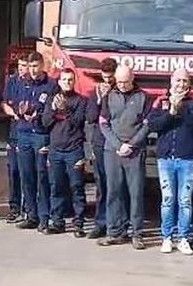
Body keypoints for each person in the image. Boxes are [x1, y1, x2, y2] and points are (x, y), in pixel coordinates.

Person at [147, 69, 193, 256]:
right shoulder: (160, 101)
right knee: (167, 200)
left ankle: (183, 238)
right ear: (171, 81)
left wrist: (181, 108)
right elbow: (153, 124)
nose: (181, 84)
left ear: (189, 83)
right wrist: (171, 111)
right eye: (178, 80)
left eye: (184, 81)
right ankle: (166, 237)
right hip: (165, 159)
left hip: (187, 158)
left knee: (185, 201)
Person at [98, 65, 150, 250]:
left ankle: (136, 233)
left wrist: (132, 144)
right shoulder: (108, 96)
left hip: (135, 152)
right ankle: (114, 232)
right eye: (119, 82)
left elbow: (146, 125)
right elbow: (103, 124)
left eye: (125, 82)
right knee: (113, 192)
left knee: (135, 193)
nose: (121, 85)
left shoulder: (143, 97)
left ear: (133, 78)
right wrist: (118, 145)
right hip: (112, 151)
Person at [14, 51, 59, 232]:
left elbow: (53, 112)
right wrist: (20, 110)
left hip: (41, 134)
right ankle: (30, 215)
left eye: (35, 66)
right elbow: (14, 104)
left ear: (42, 66)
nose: (32, 70)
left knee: (42, 177)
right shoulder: (21, 83)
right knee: (26, 176)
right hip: (23, 133)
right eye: (29, 66)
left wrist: (38, 115)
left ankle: (44, 217)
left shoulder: (51, 85)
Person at [42, 68, 88, 237]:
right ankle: (57, 222)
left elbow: (78, 122)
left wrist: (66, 110)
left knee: (77, 187)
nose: (67, 82)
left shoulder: (81, 101)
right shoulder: (51, 100)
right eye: (64, 79)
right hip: (56, 151)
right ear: (59, 81)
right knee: (56, 187)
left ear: (74, 81)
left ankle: (79, 223)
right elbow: (45, 123)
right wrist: (54, 110)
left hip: (74, 150)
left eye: (70, 79)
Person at [85, 57, 120, 239]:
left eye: (110, 78)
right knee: (102, 185)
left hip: (117, 142)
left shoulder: (122, 89)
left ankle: (119, 223)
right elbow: (91, 117)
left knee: (118, 185)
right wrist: (100, 99)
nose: (107, 81)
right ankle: (101, 223)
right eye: (105, 78)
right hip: (100, 142)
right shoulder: (96, 92)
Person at [1, 54, 28, 223]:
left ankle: (28, 208)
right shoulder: (12, 81)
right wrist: (14, 114)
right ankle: (14, 207)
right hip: (14, 132)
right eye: (20, 64)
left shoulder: (33, 83)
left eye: (24, 65)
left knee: (28, 173)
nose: (21, 68)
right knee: (14, 171)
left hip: (29, 132)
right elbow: (4, 103)